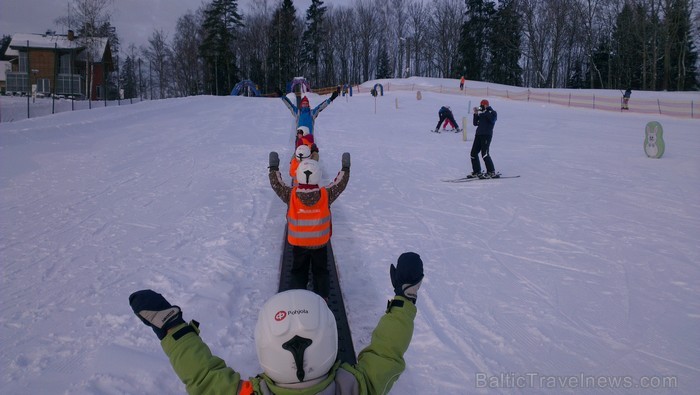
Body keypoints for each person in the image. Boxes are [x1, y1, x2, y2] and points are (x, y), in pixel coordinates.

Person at [128, 252, 423, 395]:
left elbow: (204, 377)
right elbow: (387, 351)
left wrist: (173, 328)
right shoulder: (358, 387)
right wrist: (405, 300)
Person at [268, 151, 350, 300]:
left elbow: (276, 184)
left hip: (299, 244)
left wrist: (273, 167)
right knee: (321, 271)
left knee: (298, 270)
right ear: (318, 175)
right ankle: (322, 297)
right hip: (320, 243)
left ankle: (298, 296)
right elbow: (340, 184)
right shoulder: (326, 195)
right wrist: (345, 168)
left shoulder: (290, 195)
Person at [468, 99, 499, 179]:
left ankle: (491, 171)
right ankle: (476, 171)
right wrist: (475, 114)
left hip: (486, 135)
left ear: (486, 105)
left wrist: (486, 111)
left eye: (482, 105)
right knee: (473, 153)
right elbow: (475, 123)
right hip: (478, 135)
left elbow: (492, 120)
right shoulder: (482, 113)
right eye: (480, 105)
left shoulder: (492, 112)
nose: (481, 106)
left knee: (484, 154)